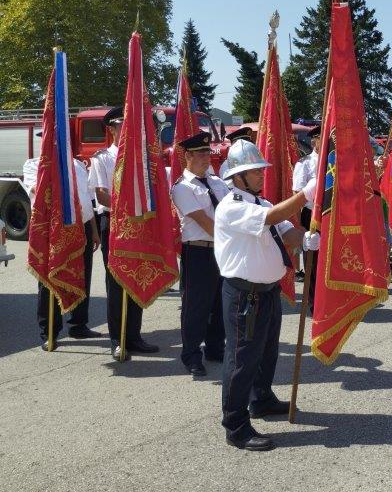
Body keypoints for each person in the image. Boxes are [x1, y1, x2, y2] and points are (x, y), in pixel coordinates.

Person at [214, 139, 319, 451]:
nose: (261, 174)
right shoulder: (231, 207)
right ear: (236, 177)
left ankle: (262, 398)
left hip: (268, 292)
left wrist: (311, 238)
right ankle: (235, 424)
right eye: (254, 171)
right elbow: (272, 220)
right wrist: (305, 194)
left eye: (260, 169)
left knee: (267, 352)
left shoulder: (262, 204)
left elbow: (287, 232)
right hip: (244, 295)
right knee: (241, 359)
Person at [92, 107, 159, 360]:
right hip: (115, 223)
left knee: (137, 278)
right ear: (111, 129)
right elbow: (100, 193)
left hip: (138, 224)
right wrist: (127, 209)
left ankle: (134, 336)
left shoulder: (140, 159)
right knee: (117, 282)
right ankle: (117, 339)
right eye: (122, 126)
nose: (127, 130)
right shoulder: (103, 158)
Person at [25, 145, 102, 348]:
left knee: (81, 275)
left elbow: (87, 200)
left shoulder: (78, 165)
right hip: (55, 229)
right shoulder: (35, 165)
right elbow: (37, 191)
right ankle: (49, 331)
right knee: (50, 279)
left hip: (82, 225)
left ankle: (79, 325)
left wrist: (93, 230)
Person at [170, 132, 229, 377]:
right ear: (188, 156)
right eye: (202, 154)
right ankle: (192, 355)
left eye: (208, 153)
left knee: (220, 303)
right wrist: (234, 241)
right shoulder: (182, 187)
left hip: (222, 250)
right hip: (199, 251)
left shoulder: (218, 182)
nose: (207, 158)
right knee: (196, 307)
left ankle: (215, 348)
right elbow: (204, 221)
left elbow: (231, 211)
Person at [292, 126, 321, 307]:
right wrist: (298, 224)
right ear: (313, 142)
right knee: (313, 262)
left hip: (331, 216)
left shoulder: (335, 161)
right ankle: (314, 301)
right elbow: (297, 195)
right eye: (320, 138)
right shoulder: (305, 163)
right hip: (312, 215)